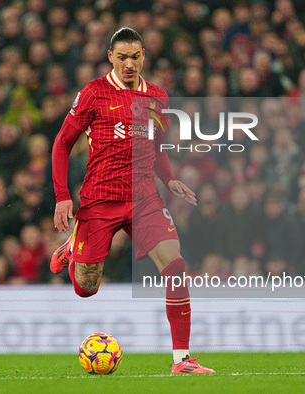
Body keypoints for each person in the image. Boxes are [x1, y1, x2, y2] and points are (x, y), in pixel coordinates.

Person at [49, 28, 214, 374]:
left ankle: (181, 360)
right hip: (100, 200)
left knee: (177, 267)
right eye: (121, 57)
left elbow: (154, 148)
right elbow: (62, 144)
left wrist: (169, 179)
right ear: (110, 56)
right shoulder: (93, 93)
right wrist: (63, 197)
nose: (128, 64)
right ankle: (72, 248)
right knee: (86, 290)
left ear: (143, 57)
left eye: (135, 57)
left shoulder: (158, 97)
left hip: (144, 199)